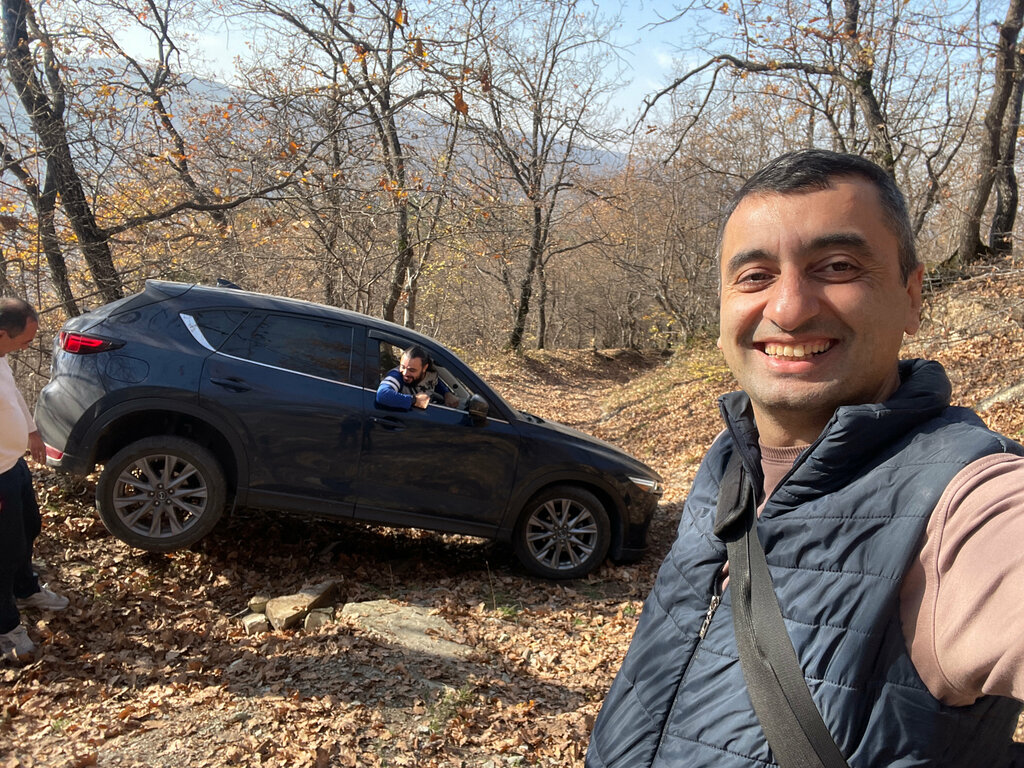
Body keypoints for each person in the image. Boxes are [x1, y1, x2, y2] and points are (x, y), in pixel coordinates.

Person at [586, 150, 1024, 767]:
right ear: (721, 310)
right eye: (755, 276)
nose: (789, 309)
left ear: (912, 297)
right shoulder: (727, 468)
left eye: (838, 267)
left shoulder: (966, 503)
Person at [0, 298, 69, 664]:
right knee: (4, 552)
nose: (29, 346)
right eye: (24, 340)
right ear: (1, 334)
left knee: (30, 526)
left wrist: (30, 432)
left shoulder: (1, 357)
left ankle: (27, 590)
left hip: (14, 464)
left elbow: (11, 396)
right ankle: (6, 627)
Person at [376, 345, 459, 410]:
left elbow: (436, 384)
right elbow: (382, 395)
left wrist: (447, 394)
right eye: (403, 367)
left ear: (424, 368)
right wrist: (414, 400)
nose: (405, 373)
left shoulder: (431, 375)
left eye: (412, 370)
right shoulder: (396, 376)